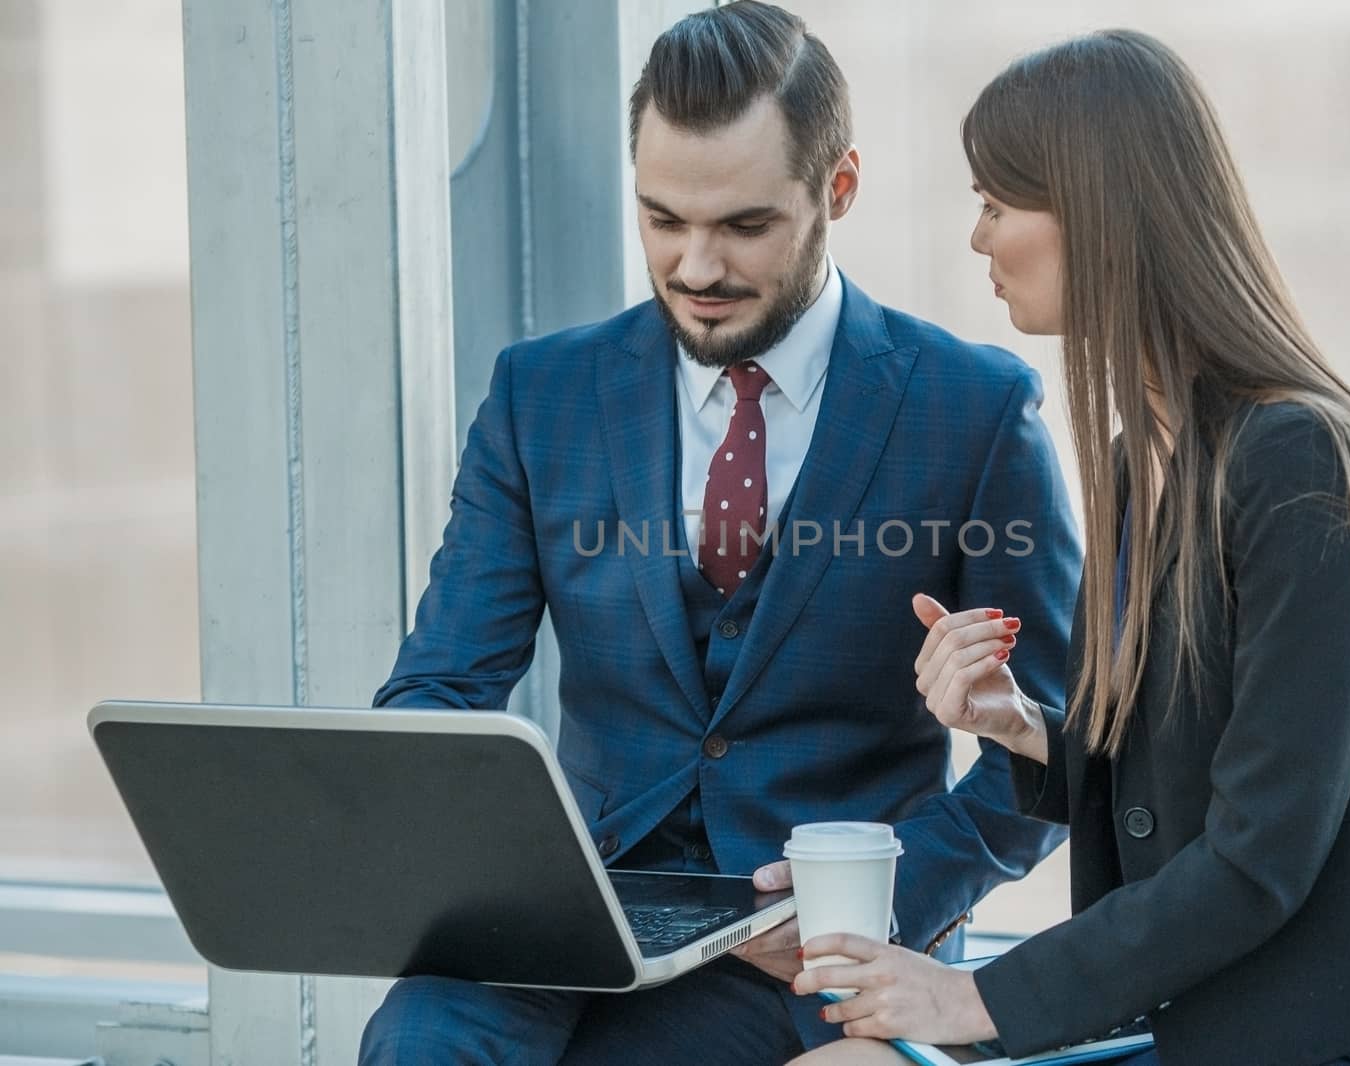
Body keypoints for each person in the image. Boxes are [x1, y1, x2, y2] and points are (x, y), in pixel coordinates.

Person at [357, 3, 1084, 1063]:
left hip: (816, 953)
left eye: (743, 227)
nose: (695, 267)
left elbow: (1050, 751)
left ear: (836, 189)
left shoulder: (973, 411)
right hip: (564, 917)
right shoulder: (539, 394)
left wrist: (880, 900)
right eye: (663, 219)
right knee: (418, 1045)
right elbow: (439, 690)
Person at [789, 29, 1350, 1066]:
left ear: (1097, 215)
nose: (977, 238)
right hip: (1209, 1016)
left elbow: (1257, 856)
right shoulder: (1148, 460)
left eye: (997, 202)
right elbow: (1187, 769)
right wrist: (1026, 727)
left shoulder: (1306, 464)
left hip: (1327, 1037)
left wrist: (972, 999)